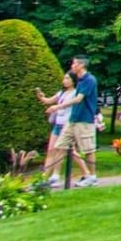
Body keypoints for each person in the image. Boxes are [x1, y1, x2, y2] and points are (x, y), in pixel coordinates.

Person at [46, 57, 101, 187]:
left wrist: (57, 107)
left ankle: (92, 177)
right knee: (59, 146)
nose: (72, 65)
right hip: (73, 120)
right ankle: (53, 177)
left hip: (84, 120)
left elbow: (78, 99)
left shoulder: (89, 80)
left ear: (81, 65)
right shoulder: (81, 81)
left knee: (88, 149)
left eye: (74, 63)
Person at [36, 73, 89, 185]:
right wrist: (41, 97)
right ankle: (46, 178)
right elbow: (49, 101)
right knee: (51, 150)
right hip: (58, 125)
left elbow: (73, 104)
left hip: (68, 125)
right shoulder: (62, 93)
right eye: (64, 78)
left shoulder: (76, 93)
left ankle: (87, 174)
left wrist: (57, 107)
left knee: (69, 152)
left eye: (67, 78)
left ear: (73, 80)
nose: (64, 80)